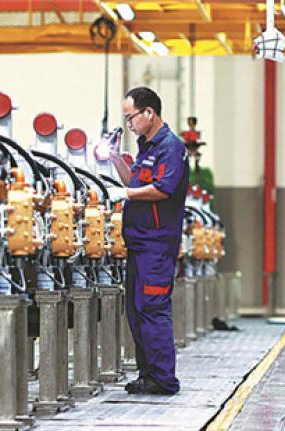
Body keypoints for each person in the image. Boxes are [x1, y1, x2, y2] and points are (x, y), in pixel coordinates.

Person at [105, 87, 189, 395]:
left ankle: (164, 379)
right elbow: (136, 182)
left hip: (157, 244)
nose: (129, 124)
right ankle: (148, 374)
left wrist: (126, 194)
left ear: (149, 113)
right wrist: (115, 157)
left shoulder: (170, 147)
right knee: (137, 309)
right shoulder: (148, 148)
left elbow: (163, 189)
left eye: (131, 118)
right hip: (139, 244)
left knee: (152, 307)